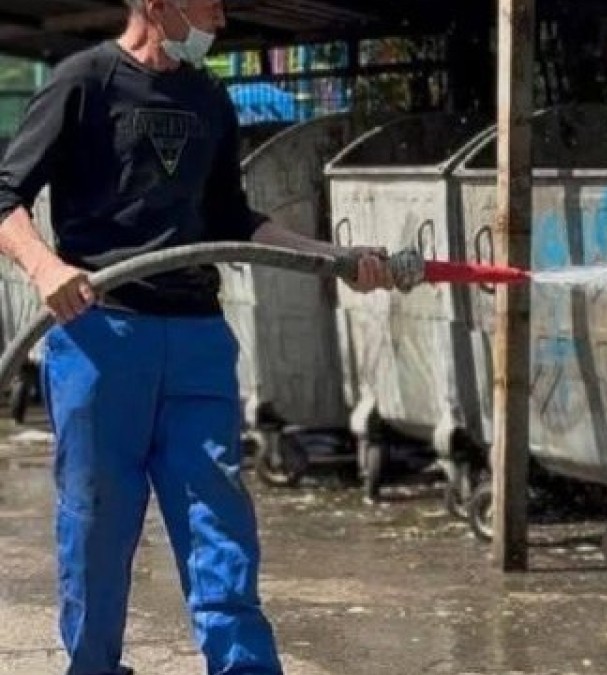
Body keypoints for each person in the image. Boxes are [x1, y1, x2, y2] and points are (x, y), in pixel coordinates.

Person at [0, 1, 420, 673]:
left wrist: (333, 258)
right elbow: (6, 197)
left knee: (219, 523)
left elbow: (232, 218)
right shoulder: (83, 82)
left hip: (197, 341)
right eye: (210, 3)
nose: (220, 19)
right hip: (101, 338)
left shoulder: (208, 98)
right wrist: (46, 267)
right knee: (97, 528)